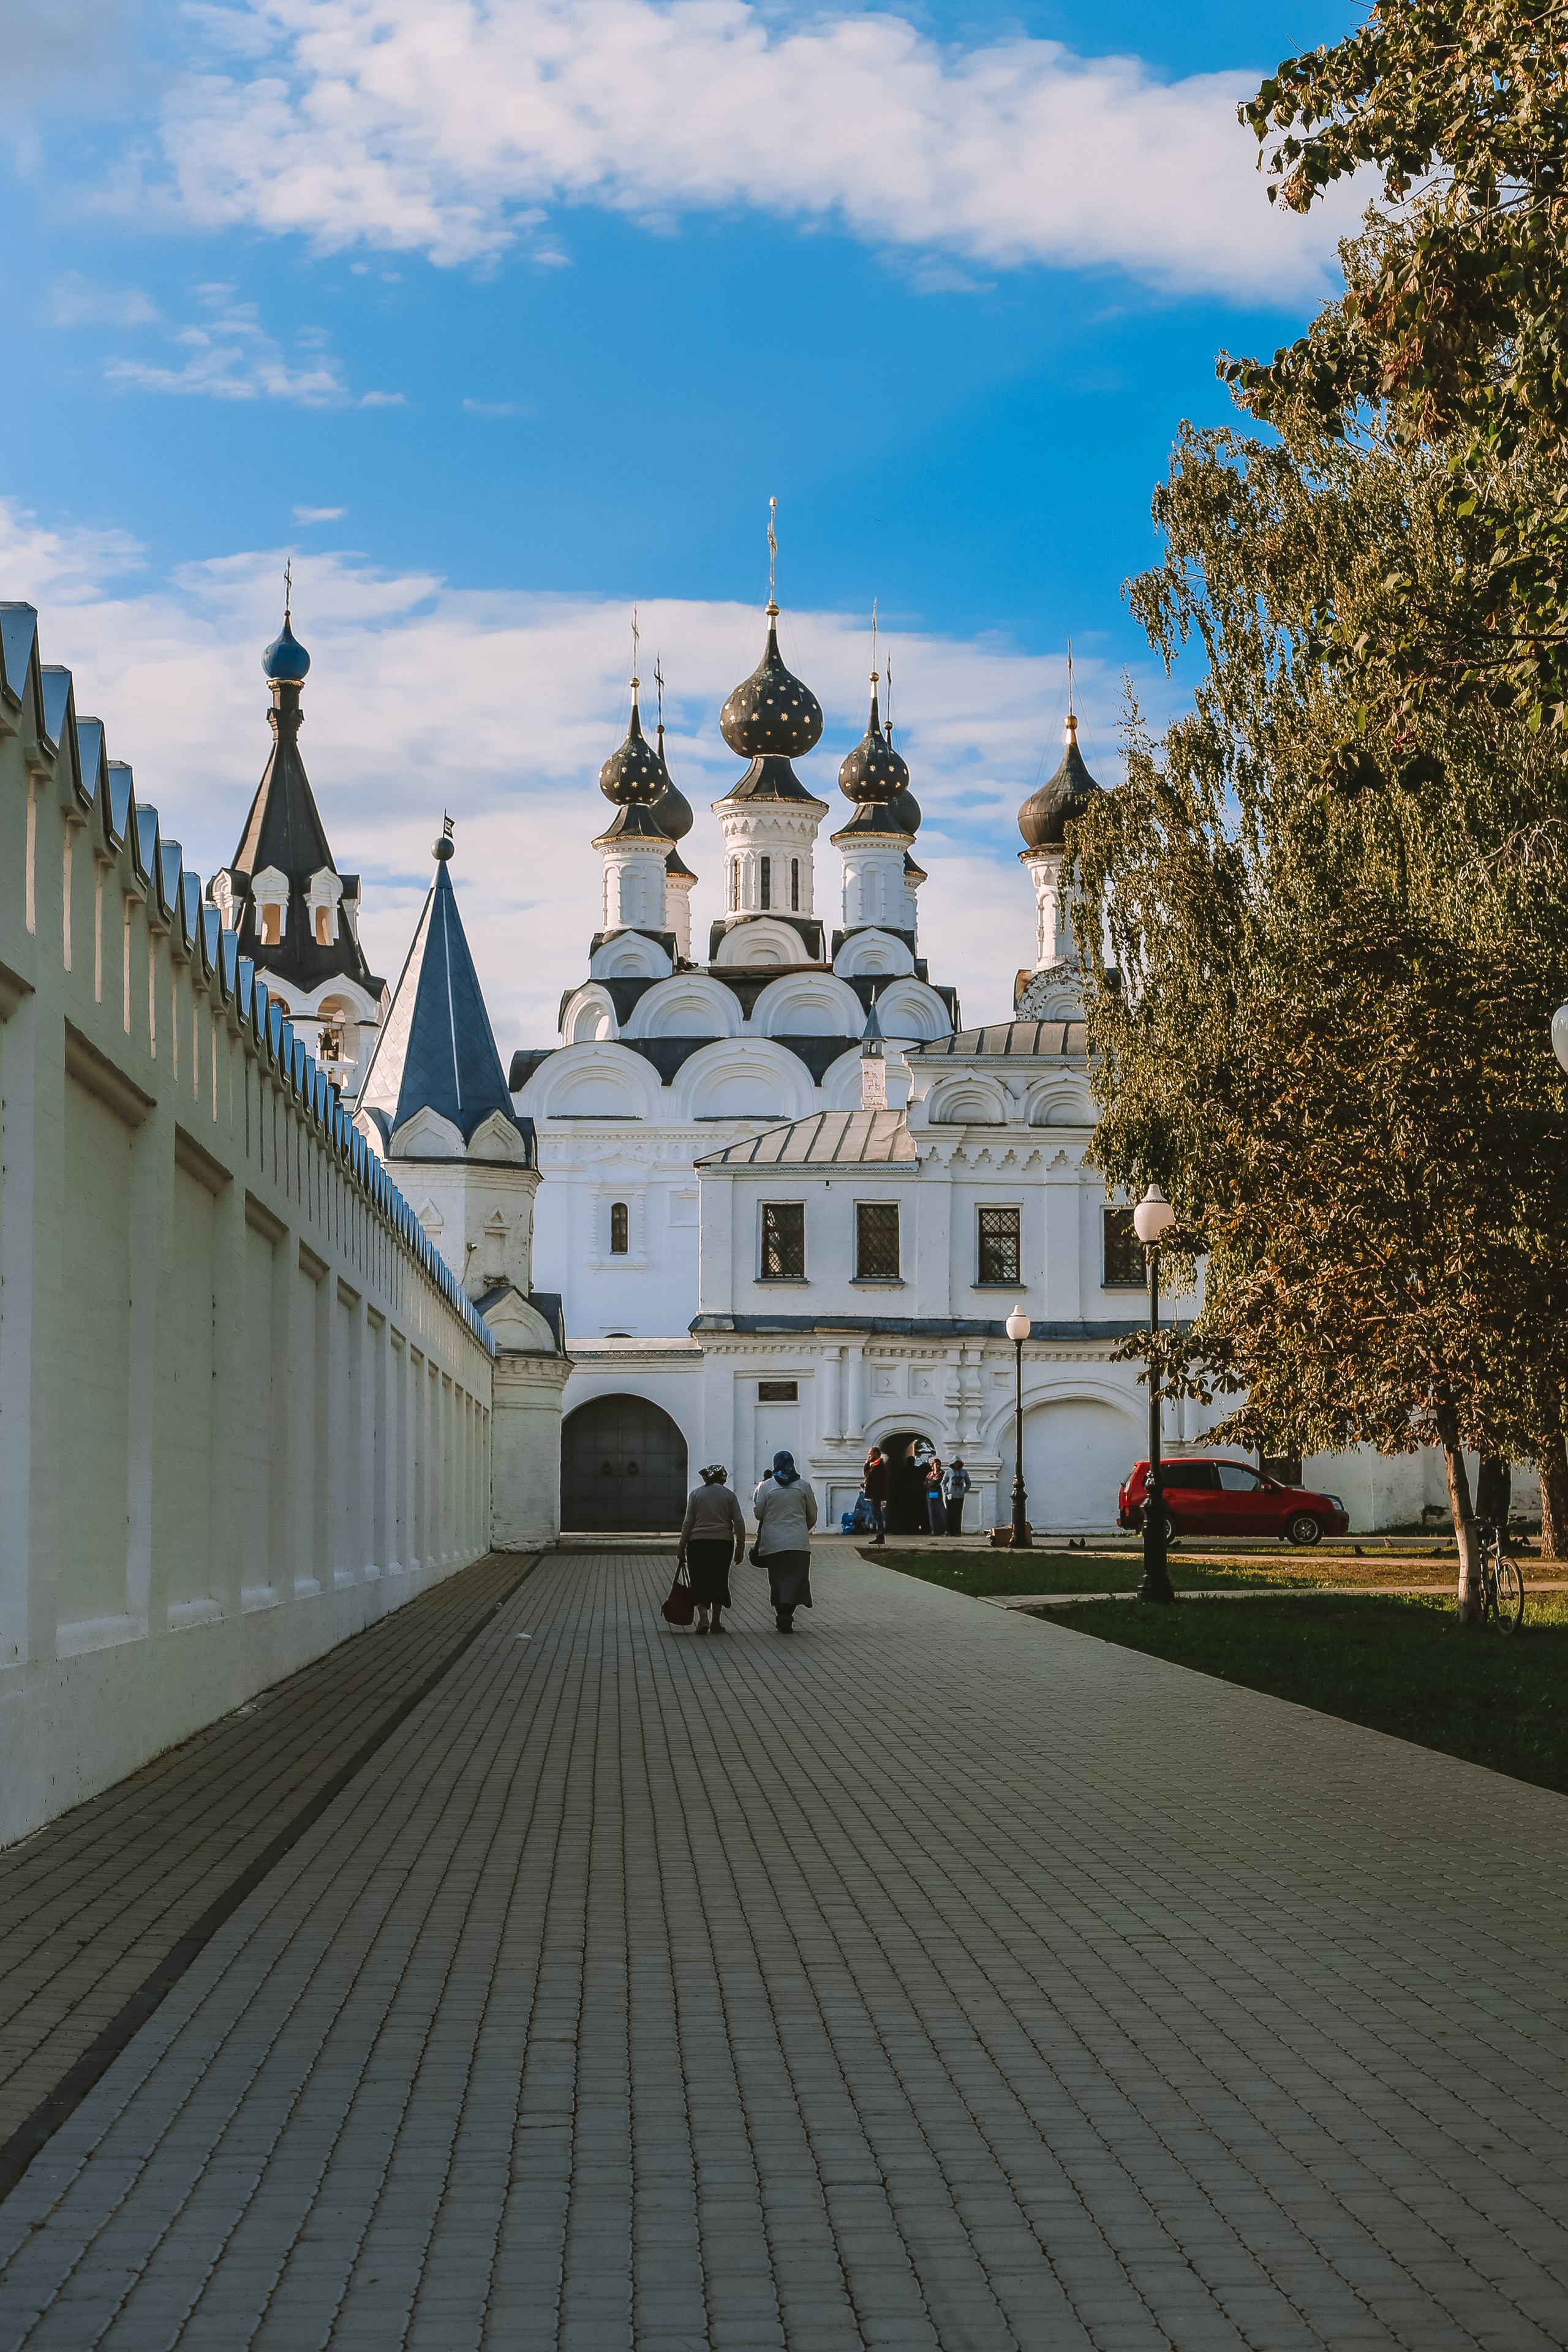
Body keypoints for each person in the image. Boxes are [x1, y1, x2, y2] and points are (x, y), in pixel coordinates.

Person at [753, 1449, 818, 1632]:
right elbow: (812, 1515)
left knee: (778, 1581)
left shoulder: (767, 1486)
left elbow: (759, 1514)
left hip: (773, 1544)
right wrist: (801, 1529)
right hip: (798, 1544)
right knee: (797, 1581)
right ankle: (787, 1614)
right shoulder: (804, 1486)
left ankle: (782, 1613)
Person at [677, 1464, 746, 1634]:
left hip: (698, 1543)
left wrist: (681, 1546)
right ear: (722, 1479)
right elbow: (738, 1521)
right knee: (719, 1580)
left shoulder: (696, 1494)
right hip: (723, 1544)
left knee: (699, 1580)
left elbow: (688, 1523)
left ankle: (703, 1619)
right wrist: (741, 1546)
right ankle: (716, 1622)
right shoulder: (729, 1496)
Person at [862, 1446, 891, 1544]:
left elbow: (868, 1475)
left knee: (877, 1514)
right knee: (876, 1514)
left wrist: (866, 1464)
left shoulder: (878, 1464)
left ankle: (880, 1535)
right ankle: (880, 1534)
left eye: (871, 1454)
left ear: (876, 1454)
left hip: (876, 1494)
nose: (869, 1456)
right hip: (875, 1493)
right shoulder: (876, 1464)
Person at [944, 1454, 971, 1537]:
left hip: (960, 1496)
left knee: (958, 1514)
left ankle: (957, 1532)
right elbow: (944, 1482)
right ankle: (949, 1531)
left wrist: (964, 1490)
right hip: (950, 1496)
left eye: (958, 1463)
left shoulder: (964, 1472)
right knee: (950, 1514)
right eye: (955, 1463)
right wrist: (946, 1491)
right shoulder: (948, 1472)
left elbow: (968, 1483)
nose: (957, 1465)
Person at [924, 1455, 946, 1535]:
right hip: (930, 1494)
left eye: (938, 1464)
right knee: (931, 1513)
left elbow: (935, 1483)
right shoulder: (930, 1474)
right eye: (935, 1464)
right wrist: (931, 1483)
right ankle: (933, 1530)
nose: (937, 1466)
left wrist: (931, 1483)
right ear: (932, 1466)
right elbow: (926, 1484)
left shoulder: (942, 1474)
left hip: (937, 1494)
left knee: (940, 1512)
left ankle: (942, 1530)